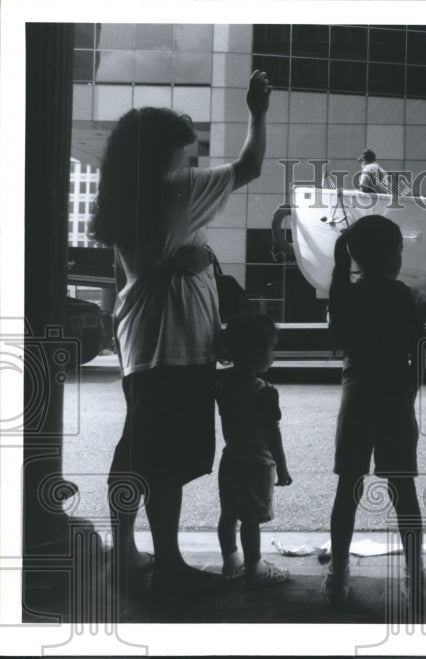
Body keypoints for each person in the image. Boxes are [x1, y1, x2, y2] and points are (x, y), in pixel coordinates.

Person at [94, 71, 270, 594]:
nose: (190, 162)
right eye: (185, 152)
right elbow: (250, 166)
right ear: (168, 154)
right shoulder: (176, 189)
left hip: (143, 345)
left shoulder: (129, 195)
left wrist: (193, 261)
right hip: (174, 346)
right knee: (166, 463)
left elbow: (155, 263)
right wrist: (256, 111)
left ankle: (126, 552)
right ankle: (169, 565)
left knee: (137, 452)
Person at [324, 215, 426, 609]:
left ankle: (337, 575)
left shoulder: (344, 292)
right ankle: (414, 576)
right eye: (399, 249)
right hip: (395, 393)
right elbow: (419, 353)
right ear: (388, 254)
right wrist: (410, 394)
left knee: (348, 485)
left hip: (357, 391)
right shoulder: (404, 295)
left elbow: (344, 343)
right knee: (403, 488)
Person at [216, 313, 293, 588]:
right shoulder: (264, 392)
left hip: (230, 458)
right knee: (250, 519)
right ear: (256, 352)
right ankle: (254, 568)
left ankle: (231, 562)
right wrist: (282, 468)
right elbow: (272, 434)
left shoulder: (222, 383)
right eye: (271, 348)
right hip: (257, 464)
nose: (273, 354)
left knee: (228, 514)